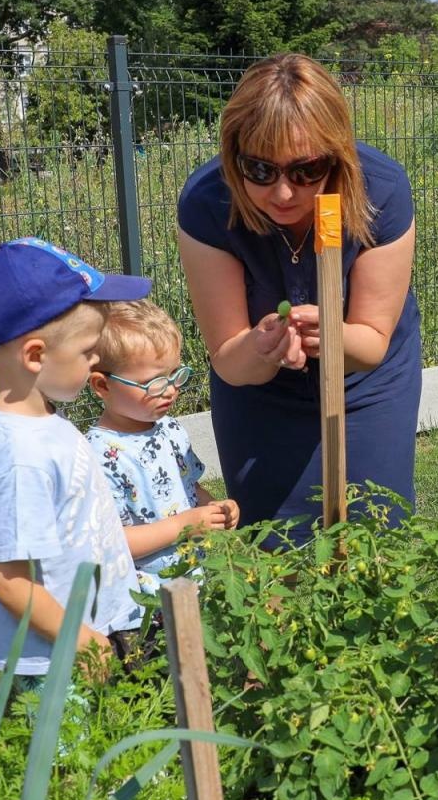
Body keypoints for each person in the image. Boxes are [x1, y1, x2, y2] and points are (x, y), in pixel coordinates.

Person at [176, 53, 419, 540]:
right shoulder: (207, 204)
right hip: (259, 394)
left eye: (307, 171)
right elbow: (229, 359)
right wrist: (261, 347)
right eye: (260, 169)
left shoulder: (381, 190)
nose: (284, 193)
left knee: (375, 531)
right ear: (233, 155)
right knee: (275, 539)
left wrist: (331, 335)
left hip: (366, 385)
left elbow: (371, 341)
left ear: (336, 156)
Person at [0, 237, 148, 688]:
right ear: (35, 356)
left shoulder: (39, 418)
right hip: (58, 661)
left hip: (87, 635)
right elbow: (11, 582)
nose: (96, 360)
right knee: (72, 739)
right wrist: (80, 640)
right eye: (88, 350)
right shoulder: (22, 457)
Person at [85, 301, 240, 606]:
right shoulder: (99, 455)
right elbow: (111, 543)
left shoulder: (169, 429)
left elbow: (189, 487)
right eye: (153, 383)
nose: (170, 390)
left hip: (191, 582)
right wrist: (185, 525)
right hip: (141, 604)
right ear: (102, 385)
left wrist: (215, 508)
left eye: (174, 375)